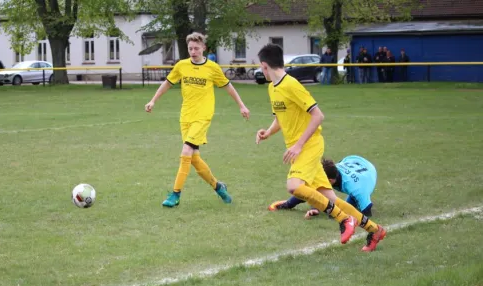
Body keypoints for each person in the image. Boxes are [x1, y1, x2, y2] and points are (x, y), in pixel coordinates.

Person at [254, 44, 387, 252]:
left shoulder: (292, 85)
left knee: (294, 186)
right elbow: (280, 118)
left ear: (264, 66)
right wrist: (268, 132)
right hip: (301, 148)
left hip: (309, 145)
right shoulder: (272, 88)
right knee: (330, 198)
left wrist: (298, 145)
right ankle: (374, 230)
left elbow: (318, 115)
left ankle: (343, 220)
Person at [145, 32, 250, 207]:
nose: (193, 51)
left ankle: (175, 195)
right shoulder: (182, 65)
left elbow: (228, 86)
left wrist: (241, 105)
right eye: (190, 48)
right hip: (185, 116)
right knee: (193, 158)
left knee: (186, 151)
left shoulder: (212, 68)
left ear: (203, 48)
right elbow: (167, 83)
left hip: (203, 116)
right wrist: (153, 100)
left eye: (196, 48)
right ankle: (218, 187)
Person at [268, 155, 377, 219]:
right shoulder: (332, 171)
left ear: (329, 180)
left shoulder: (358, 189)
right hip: (353, 160)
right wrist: (288, 204)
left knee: (337, 213)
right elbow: (309, 191)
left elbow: (367, 212)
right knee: (334, 211)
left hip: (369, 174)